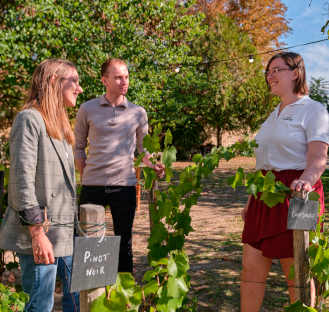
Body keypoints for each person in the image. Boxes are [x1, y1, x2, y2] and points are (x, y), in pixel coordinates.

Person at [240, 52, 329, 311]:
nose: (270, 76)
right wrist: (250, 201)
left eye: (276, 70)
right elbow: (264, 163)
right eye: (268, 72)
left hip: (300, 194)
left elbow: (318, 157)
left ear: (296, 72)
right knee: (250, 268)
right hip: (265, 194)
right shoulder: (272, 116)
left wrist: (306, 182)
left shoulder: (314, 110)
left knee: (298, 274)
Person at [0, 59, 83, 312]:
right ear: (53, 82)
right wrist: (38, 234)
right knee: (40, 306)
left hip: (67, 235)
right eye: (74, 81)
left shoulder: (61, 127)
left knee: (77, 302)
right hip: (41, 235)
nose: (79, 88)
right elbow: (20, 181)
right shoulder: (29, 119)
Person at [74, 58, 164, 273]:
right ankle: (91, 298)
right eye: (118, 77)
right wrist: (85, 174)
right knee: (87, 244)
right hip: (92, 186)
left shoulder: (138, 113)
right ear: (104, 80)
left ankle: (123, 296)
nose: (124, 81)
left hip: (124, 187)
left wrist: (154, 166)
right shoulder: (87, 109)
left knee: (124, 243)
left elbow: (143, 152)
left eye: (126, 77)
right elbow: (78, 148)